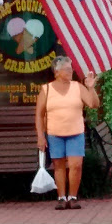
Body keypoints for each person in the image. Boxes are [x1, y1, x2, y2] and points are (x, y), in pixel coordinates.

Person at [35, 55, 100, 210]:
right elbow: (39, 114)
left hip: (75, 132)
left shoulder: (77, 87)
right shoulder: (47, 89)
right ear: (56, 72)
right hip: (54, 133)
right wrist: (40, 136)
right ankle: (61, 197)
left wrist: (91, 88)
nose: (70, 71)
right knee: (59, 166)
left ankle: (73, 196)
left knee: (76, 165)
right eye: (67, 69)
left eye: (71, 68)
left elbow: (93, 104)